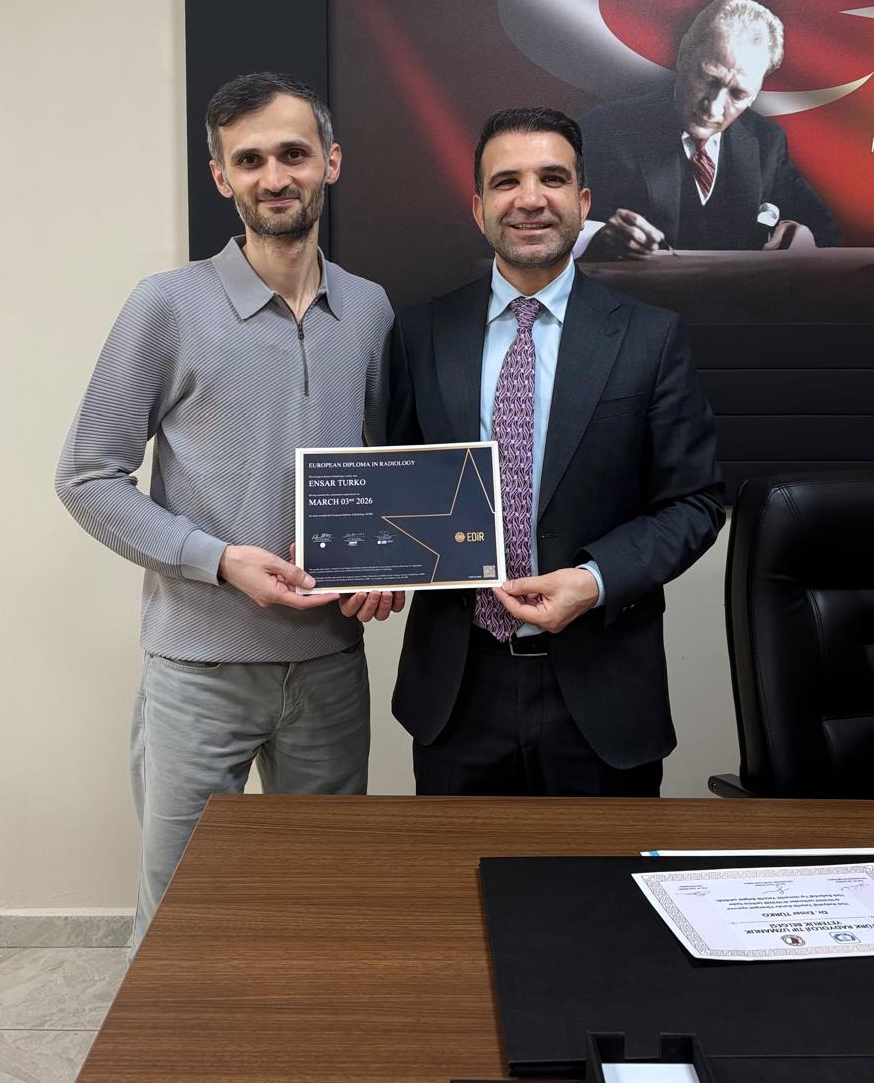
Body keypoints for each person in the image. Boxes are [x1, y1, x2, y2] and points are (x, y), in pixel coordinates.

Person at [57, 71, 402, 949]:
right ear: (221, 178)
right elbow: (88, 476)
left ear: (330, 161)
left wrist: (390, 566)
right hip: (197, 673)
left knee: (319, 912)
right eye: (249, 161)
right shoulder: (165, 304)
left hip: (329, 668)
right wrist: (219, 560)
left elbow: (385, 475)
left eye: (293, 154)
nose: (274, 176)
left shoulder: (369, 309)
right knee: (182, 921)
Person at [388, 106, 724, 797]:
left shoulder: (650, 337)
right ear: (478, 207)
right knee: (459, 871)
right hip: (457, 692)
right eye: (506, 181)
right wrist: (364, 556)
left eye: (552, 178)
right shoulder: (421, 333)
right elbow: (396, 482)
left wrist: (594, 580)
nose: (530, 198)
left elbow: (695, 501)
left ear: (584, 200)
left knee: (601, 874)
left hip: (602, 689)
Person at [580, 0, 841, 257]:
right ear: (684, 55)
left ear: (755, 93)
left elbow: (825, 231)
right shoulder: (604, 129)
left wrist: (806, 239)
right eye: (708, 79)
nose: (713, 108)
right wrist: (599, 236)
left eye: (738, 94)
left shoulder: (766, 142)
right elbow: (558, 225)